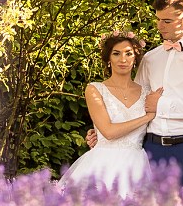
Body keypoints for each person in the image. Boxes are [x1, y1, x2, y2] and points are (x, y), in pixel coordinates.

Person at [87, 0, 183, 192]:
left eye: (166, 21)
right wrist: (103, 134)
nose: (160, 26)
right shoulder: (150, 58)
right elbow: (138, 104)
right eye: (158, 19)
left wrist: (162, 105)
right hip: (152, 150)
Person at [59, 32, 158, 197]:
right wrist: (147, 117)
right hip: (102, 163)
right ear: (108, 59)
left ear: (135, 59)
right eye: (116, 54)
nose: (123, 59)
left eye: (128, 53)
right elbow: (109, 132)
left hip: (135, 165)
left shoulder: (147, 93)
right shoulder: (95, 89)